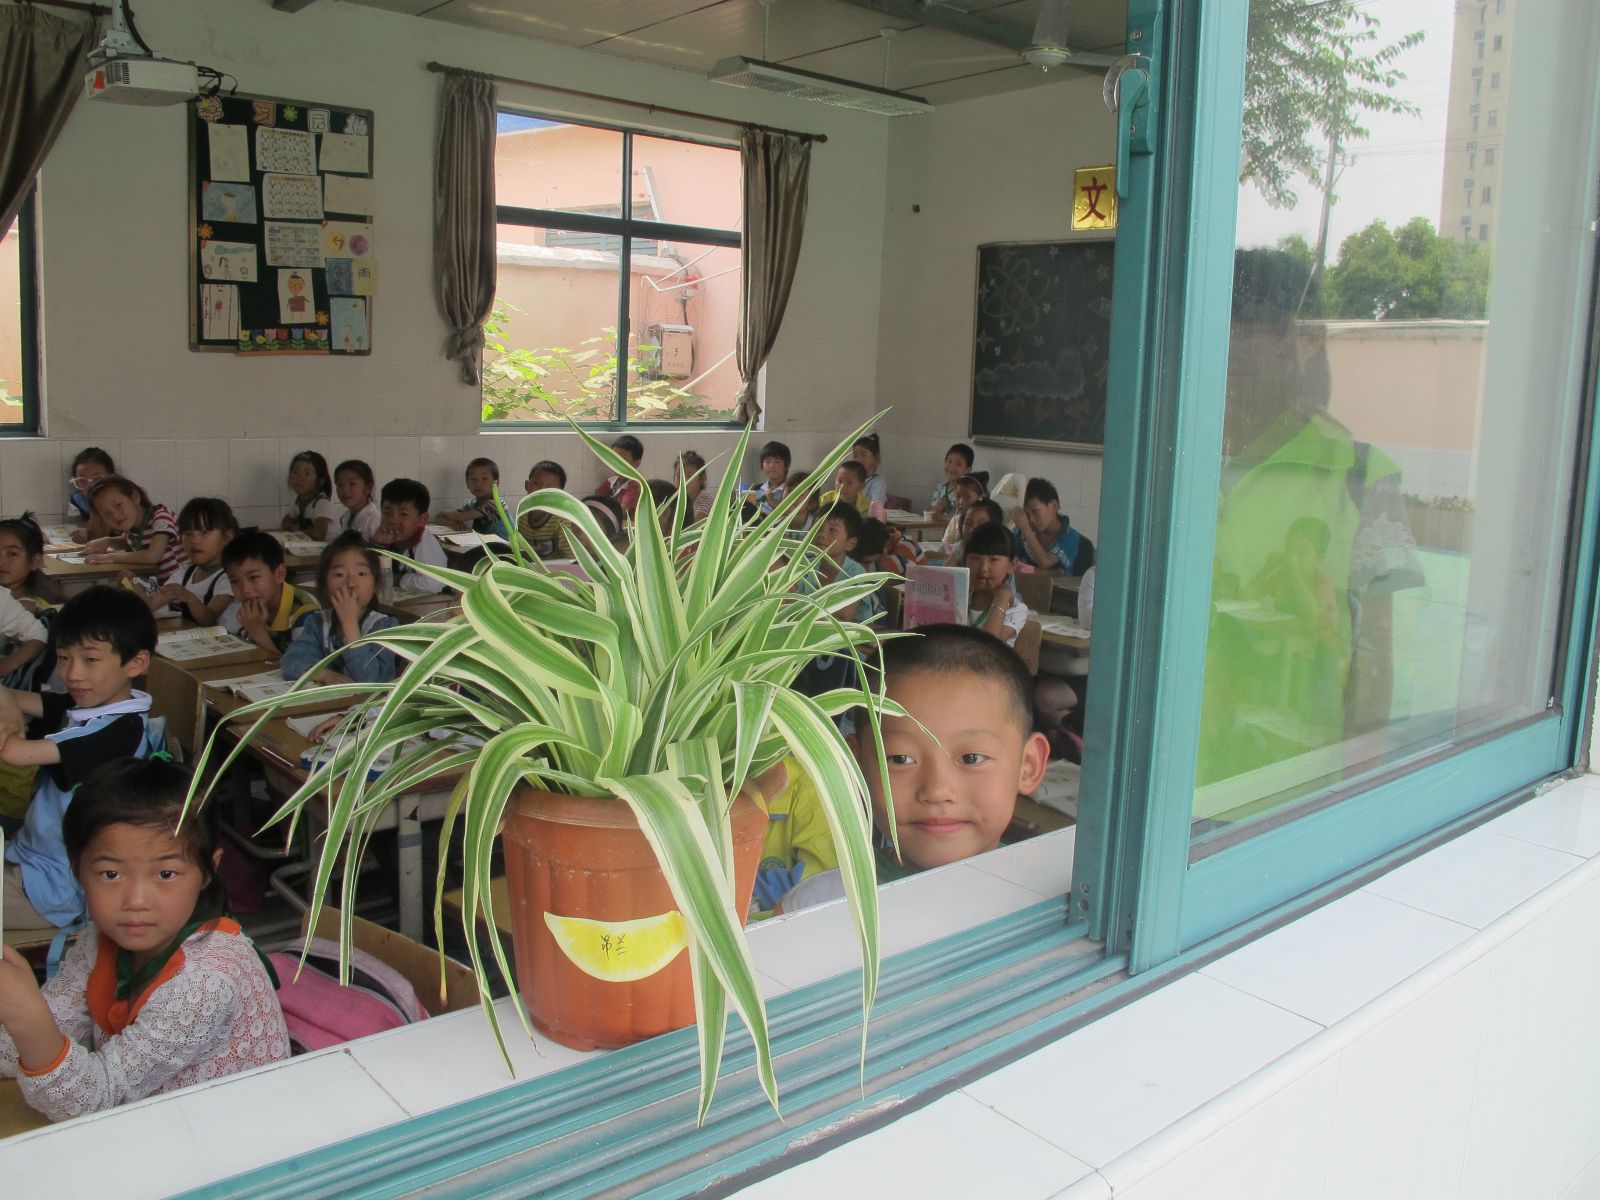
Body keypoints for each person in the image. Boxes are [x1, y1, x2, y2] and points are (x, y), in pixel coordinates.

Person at [1198, 246, 1424, 790]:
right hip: (1171, 778)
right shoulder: (1182, 464)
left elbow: (1376, 659)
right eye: (1222, 329)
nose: (1231, 350)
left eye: (1252, 331)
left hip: (1288, 788)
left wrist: (1355, 790)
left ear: (1303, 342)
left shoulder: (1358, 478)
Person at [0, 756, 289, 1121]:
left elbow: (95, 1101)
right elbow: (27, 1044)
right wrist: (19, 1016)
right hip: (155, 1125)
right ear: (77, 871)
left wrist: (27, 1020)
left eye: (166, 874)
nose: (136, 902)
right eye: (110, 874)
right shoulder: (97, 942)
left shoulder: (205, 982)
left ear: (208, 870)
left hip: (231, 1139)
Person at [779, 625, 1050, 911]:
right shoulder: (816, 909)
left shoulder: (1056, 895)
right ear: (857, 765)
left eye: (971, 758)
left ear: (1028, 766)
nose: (937, 791)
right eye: (900, 759)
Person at [0, 586, 162, 935]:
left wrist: (8, 713)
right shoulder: (91, 704)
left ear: (136, 662)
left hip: (55, 887)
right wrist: (8, 706)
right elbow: (10, 695)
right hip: (30, 857)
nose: (73, 674)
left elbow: (13, 752)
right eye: (63, 658)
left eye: (90, 660)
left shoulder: (117, 731)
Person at [281, 534, 398, 685]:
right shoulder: (318, 622)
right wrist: (326, 675)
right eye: (339, 574)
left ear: (375, 583)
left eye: (361, 573)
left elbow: (372, 681)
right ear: (325, 586)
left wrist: (350, 625)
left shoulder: (385, 627)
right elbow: (290, 661)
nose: (350, 583)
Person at [218, 532, 318, 654]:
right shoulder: (251, 607)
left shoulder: (306, 614)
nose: (245, 589)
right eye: (234, 581)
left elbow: (299, 665)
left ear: (279, 574)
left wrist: (258, 632)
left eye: (253, 577)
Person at [144, 497, 237, 626]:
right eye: (188, 533)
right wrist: (134, 586)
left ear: (227, 537)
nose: (194, 540)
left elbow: (209, 620)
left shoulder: (230, 577)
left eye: (204, 532)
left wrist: (190, 598)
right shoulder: (185, 572)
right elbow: (152, 605)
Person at [81, 477, 186, 578]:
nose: (115, 516)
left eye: (118, 505)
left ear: (135, 497)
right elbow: (131, 541)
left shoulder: (162, 518)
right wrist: (107, 542)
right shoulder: (133, 528)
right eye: (106, 514)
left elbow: (152, 556)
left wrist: (109, 557)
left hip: (181, 586)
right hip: (158, 585)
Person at [374, 479, 448, 596]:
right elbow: (371, 574)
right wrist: (378, 545)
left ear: (422, 519)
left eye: (403, 514)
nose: (393, 521)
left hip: (432, 603)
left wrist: (399, 580)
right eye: (387, 513)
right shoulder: (382, 537)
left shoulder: (424, 544)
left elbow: (433, 584)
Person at [1011, 478, 1095, 576]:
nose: (1031, 520)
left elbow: (1045, 562)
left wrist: (1026, 529)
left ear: (1055, 506)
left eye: (1035, 511)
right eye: (1026, 514)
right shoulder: (1019, 534)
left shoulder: (1073, 539)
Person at [964, 522, 1027, 647]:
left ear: (1012, 565)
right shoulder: (958, 597)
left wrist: (1001, 599)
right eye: (975, 558)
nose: (983, 568)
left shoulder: (1015, 609)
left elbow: (988, 645)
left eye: (994, 560)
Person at [438, 457, 509, 539]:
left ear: (496, 483)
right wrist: (454, 524)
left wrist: (444, 512)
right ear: (467, 484)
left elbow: (459, 517)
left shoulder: (496, 504)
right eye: (473, 479)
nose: (478, 484)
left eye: (484, 479)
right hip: (485, 545)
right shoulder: (472, 504)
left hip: (504, 546)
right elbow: (440, 519)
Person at [516, 460, 573, 560]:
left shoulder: (562, 521)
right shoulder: (522, 511)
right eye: (537, 484)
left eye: (550, 489)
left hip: (556, 569)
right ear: (527, 485)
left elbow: (571, 559)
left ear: (559, 495)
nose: (542, 491)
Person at [281, 451, 339, 540]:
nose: (299, 477)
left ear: (320, 481)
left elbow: (318, 535)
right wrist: (292, 527)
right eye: (295, 472)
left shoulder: (322, 504)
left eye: (307, 473)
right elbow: (285, 522)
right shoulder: (299, 502)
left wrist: (297, 530)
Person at [66, 448, 116, 543]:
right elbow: (95, 533)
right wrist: (87, 533)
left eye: (97, 479)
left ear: (112, 478)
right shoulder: (80, 500)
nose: (91, 486)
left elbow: (106, 533)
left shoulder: (121, 499)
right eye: (82, 480)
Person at [938, 474, 988, 556]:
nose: (961, 501)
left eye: (967, 497)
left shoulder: (986, 522)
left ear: (980, 497)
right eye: (958, 496)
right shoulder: (955, 521)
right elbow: (944, 546)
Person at [947, 498, 1006, 567]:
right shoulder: (962, 546)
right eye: (968, 523)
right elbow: (945, 570)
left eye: (981, 525)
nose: (971, 529)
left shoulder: (1001, 551)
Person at [333, 459, 382, 540]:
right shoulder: (346, 516)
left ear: (368, 488)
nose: (345, 490)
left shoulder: (375, 519)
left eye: (352, 483)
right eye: (340, 484)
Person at [596, 435, 643, 516]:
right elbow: (596, 502)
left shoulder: (635, 486)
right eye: (614, 458)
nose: (616, 463)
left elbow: (621, 513)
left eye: (622, 460)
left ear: (636, 463)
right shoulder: (611, 482)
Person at [742, 441, 791, 516]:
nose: (771, 466)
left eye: (777, 462)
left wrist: (772, 501)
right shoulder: (757, 489)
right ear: (762, 465)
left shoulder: (792, 490)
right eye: (767, 462)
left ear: (787, 465)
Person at [930, 443, 975, 517]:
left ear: (968, 470)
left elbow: (964, 518)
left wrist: (943, 517)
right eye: (949, 462)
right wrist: (935, 511)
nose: (952, 467)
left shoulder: (968, 492)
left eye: (958, 464)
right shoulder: (939, 489)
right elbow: (932, 514)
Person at [676, 451, 715, 523]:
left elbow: (694, 525)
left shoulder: (706, 500)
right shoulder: (677, 501)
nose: (683, 481)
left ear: (702, 478)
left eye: (689, 476)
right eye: (679, 475)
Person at [852, 433, 889, 507]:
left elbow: (875, 507)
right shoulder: (852, 479)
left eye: (863, 455)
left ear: (876, 457)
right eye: (855, 455)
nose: (858, 459)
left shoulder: (879, 483)